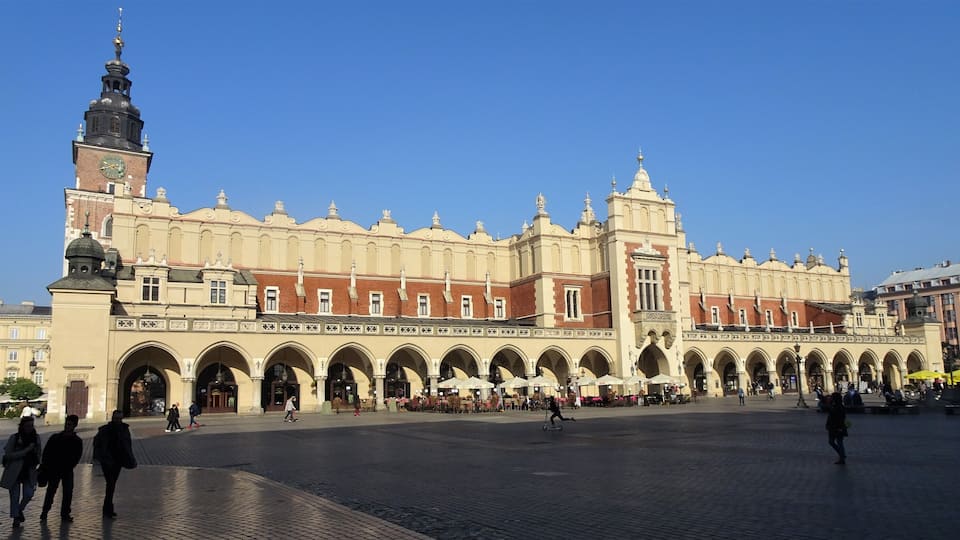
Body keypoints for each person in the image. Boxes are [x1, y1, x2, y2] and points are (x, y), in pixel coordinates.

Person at [94, 410, 137, 518]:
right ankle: (108, 509)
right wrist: (99, 457)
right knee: (111, 484)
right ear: (112, 418)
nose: (118, 420)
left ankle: (108, 508)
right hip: (107, 461)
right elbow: (97, 444)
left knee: (111, 485)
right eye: (116, 418)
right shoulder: (105, 430)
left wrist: (130, 458)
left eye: (119, 418)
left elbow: (128, 444)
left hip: (118, 461)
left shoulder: (124, 429)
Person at [39, 414, 83, 522]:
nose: (67, 426)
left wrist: (71, 465)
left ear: (74, 425)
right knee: (51, 491)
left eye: (70, 424)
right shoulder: (55, 437)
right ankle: (45, 512)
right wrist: (45, 466)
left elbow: (77, 456)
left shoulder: (77, 441)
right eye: (66, 424)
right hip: (54, 470)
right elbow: (46, 453)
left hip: (67, 470)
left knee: (68, 492)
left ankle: (65, 514)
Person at [1, 416, 42, 528]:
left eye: (32, 425)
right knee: (14, 497)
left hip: (29, 471)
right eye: (27, 426)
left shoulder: (36, 438)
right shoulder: (14, 438)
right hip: (14, 471)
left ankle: (19, 511)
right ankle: (16, 520)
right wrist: (25, 451)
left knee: (29, 494)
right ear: (22, 426)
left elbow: (39, 453)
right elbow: (8, 455)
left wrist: (37, 462)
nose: (30, 428)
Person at [825, 392, 847, 465]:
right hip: (835, 427)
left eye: (832, 397)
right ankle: (842, 455)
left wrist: (840, 427)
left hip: (837, 428)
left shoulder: (838, 407)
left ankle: (842, 457)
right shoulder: (836, 405)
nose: (830, 398)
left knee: (835, 442)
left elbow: (837, 417)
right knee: (836, 442)